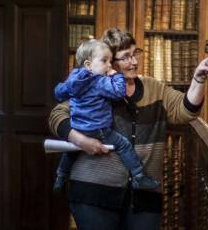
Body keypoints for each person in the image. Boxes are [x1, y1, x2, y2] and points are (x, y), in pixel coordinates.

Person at [47, 27, 208, 230]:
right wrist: (80, 140)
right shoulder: (90, 84)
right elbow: (57, 115)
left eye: (135, 53)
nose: (134, 61)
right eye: (125, 56)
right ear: (107, 62)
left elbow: (185, 110)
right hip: (93, 192)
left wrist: (198, 79)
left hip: (143, 195)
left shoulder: (152, 87)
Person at [51, 39, 159, 194]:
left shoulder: (74, 78)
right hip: (98, 129)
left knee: (71, 150)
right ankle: (139, 176)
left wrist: (67, 86)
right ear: (88, 65)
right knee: (124, 145)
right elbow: (118, 92)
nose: (109, 65)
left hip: (77, 127)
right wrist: (116, 76)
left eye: (110, 61)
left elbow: (58, 93)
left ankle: (60, 177)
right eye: (104, 61)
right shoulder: (99, 81)